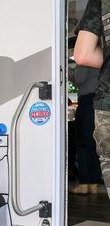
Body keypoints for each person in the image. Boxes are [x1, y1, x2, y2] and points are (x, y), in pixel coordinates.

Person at [74, 0, 110, 198]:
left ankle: (89, 183)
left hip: (94, 100)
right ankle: (91, 181)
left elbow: (81, 59)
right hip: (95, 97)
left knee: (86, 142)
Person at [69, 65, 101, 194]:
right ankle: (93, 182)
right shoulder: (102, 56)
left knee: (83, 142)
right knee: (95, 143)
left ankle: (85, 183)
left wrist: (68, 71)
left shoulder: (85, 60)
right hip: (100, 101)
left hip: (88, 101)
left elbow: (79, 78)